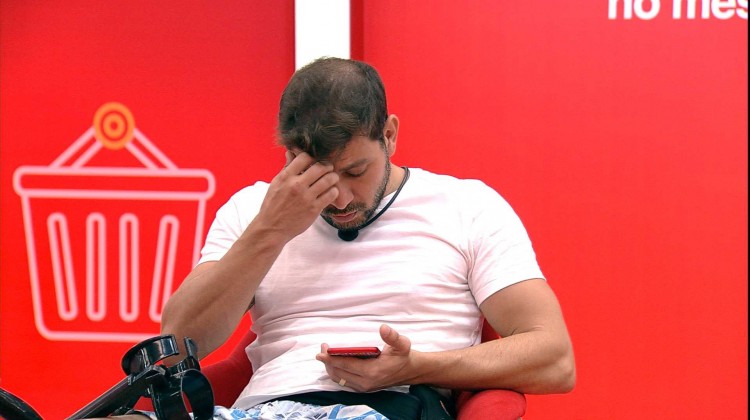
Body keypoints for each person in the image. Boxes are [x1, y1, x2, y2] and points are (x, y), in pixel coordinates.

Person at [154, 57, 575, 419]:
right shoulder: (254, 211)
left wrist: (417, 366)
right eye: (314, 175)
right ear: (288, 156)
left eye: (355, 172)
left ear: (389, 135)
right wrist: (271, 230)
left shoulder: (468, 206)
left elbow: (555, 359)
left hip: (398, 404)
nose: (338, 199)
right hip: (265, 407)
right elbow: (177, 348)